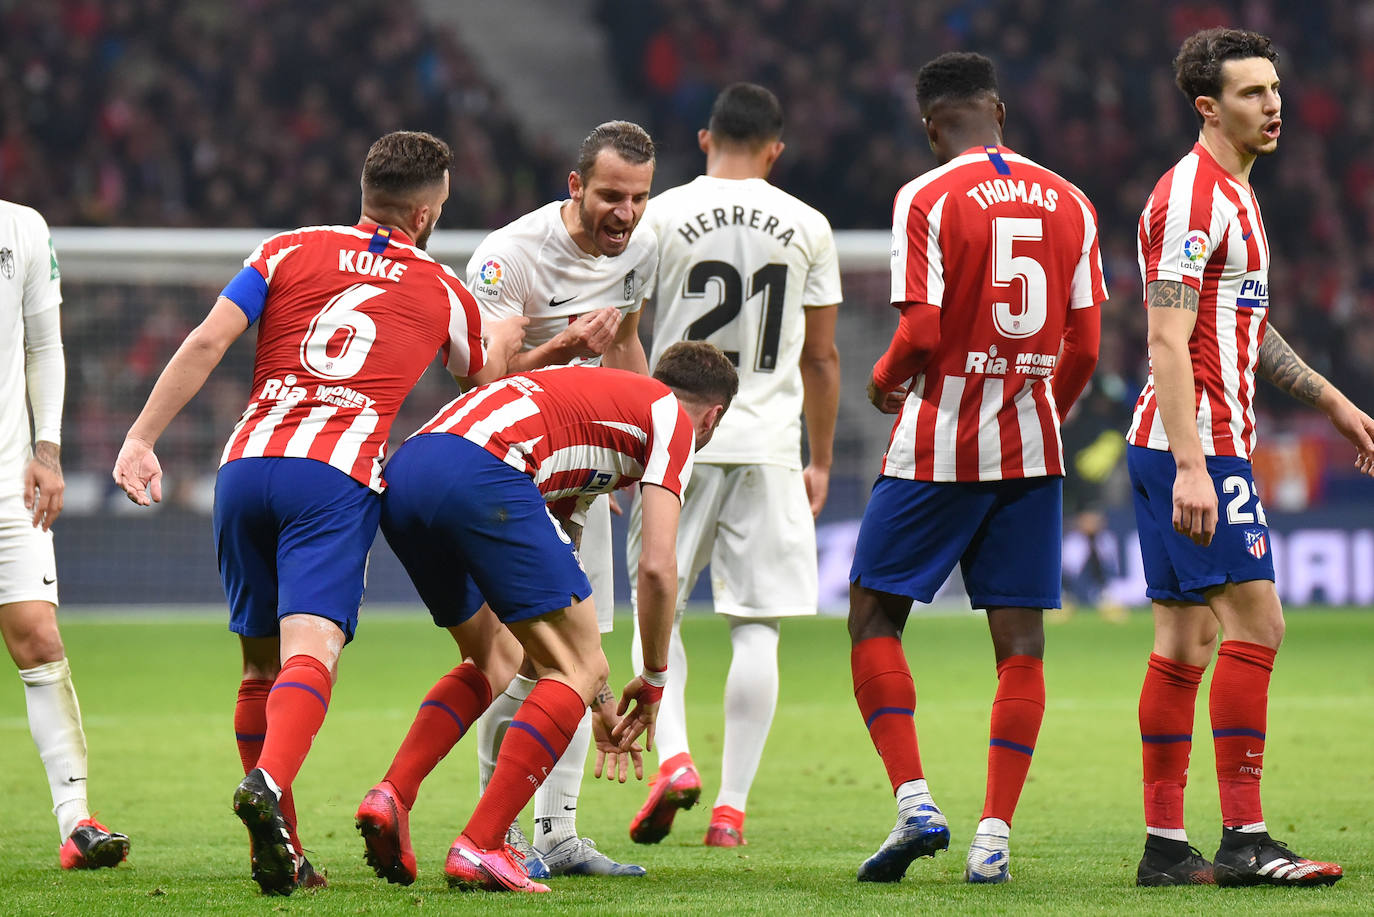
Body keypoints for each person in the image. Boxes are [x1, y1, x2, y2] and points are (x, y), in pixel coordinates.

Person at [111, 131, 522, 896]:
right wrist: (510, 335)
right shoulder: (440, 287)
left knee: (258, 665)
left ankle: (288, 850)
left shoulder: (287, 248)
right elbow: (483, 374)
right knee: (314, 652)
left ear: (364, 190)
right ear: (429, 211)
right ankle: (268, 783)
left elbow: (207, 340)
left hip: (244, 465)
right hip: (332, 474)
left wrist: (141, 438)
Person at [848, 52, 1105, 885]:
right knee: (1021, 643)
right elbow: (1088, 344)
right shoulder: (1072, 200)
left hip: (935, 439)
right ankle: (994, 836)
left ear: (931, 126)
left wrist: (885, 382)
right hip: (1031, 445)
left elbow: (921, 333)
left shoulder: (924, 196)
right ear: (999, 109)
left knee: (874, 616)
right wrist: (1042, 409)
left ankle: (916, 798)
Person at [353, 342, 739, 893]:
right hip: (488, 470)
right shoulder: (671, 419)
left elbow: (547, 606)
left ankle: (392, 793)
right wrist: (651, 679)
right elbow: (656, 567)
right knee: (579, 665)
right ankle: (482, 844)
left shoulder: (592, 423)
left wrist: (598, 698)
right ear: (714, 415)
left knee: (496, 658)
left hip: (410, 471)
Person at [1127, 27, 1369, 888]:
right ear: (1208, 106)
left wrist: (1329, 398)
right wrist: (1195, 464)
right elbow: (1164, 335)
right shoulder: (1194, 198)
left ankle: (1164, 848)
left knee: (1184, 642)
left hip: (1178, 446)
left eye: (1274, 88)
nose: (1272, 104)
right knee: (1259, 624)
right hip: (1196, 448)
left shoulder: (1236, 193)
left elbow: (1242, 323)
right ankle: (1246, 836)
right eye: (1250, 93)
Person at [624, 82, 842, 848]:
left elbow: (625, 326)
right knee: (758, 629)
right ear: (776, 150)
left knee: (660, 608)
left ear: (704, 136)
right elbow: (820, 355)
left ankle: (675, 756)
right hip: (772, 442)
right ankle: (731, 808)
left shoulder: (664, 212)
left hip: (676, 437)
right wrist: (819, 459)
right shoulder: (809, 224)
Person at [460, 119, 659, 877]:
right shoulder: (508, 258)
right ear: (575, 186)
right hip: (505, 483)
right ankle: (498, 833)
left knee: (586, 658)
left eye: (639, 197)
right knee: (520, 661)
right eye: (611, 195)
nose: (626, 213)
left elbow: (631, 351)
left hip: (583, 482)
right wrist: (565, 348)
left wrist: (627, 460)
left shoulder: (641, 246)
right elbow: (477, 386)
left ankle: (557, 835)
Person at [0, 201, 130, 870]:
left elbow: (43, 343)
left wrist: (46, 450)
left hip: (6, 476)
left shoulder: (23, 226)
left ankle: (77, 821)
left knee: (39, 637)